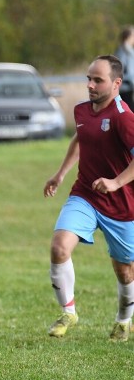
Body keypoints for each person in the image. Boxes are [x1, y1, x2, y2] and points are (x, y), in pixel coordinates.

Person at [43, 54, 134, 341]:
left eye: (98, 80)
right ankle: (68, 312)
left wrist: (116, 182)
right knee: (59, 247)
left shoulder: (123, 117)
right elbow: (80, 140)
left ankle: (123, 320)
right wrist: (60, 174)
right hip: (85, 194)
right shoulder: (82, 111)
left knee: (125, 270)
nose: (90, 85)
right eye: (88, 79)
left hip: (121, 204)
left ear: (116, 83)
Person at [114, 26, 134, 109]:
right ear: (128, 37)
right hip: (125, 89)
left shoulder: (127, 51)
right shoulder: (123, 52)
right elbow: (120, 73)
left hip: (128, 89)